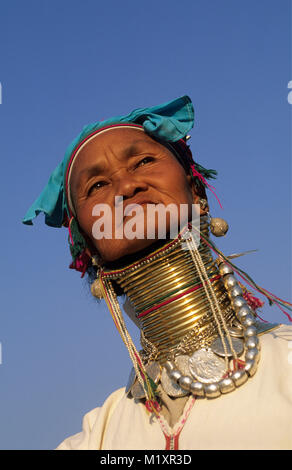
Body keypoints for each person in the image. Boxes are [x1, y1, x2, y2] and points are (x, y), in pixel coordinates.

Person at [23, 96, 292, 450]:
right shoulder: (99, 435)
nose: (125, 188)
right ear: (87, 247)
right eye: (97, 186)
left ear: (195, 189)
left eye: (144, 161)